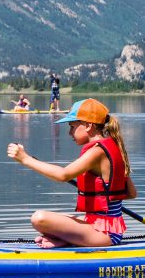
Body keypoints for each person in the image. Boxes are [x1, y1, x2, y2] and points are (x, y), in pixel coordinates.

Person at [7, 98, 136, 248]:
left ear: (88, 125)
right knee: (56, 220)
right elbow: (131, 193)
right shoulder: (113, 147)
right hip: (105, 228)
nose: (69, 132)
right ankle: (66, 239)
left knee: (39, 218)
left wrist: (25, 159)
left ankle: (69, 239)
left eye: (72, 126)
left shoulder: (97, 152)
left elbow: (63, 175)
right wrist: (105, 198)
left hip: (104, 234)